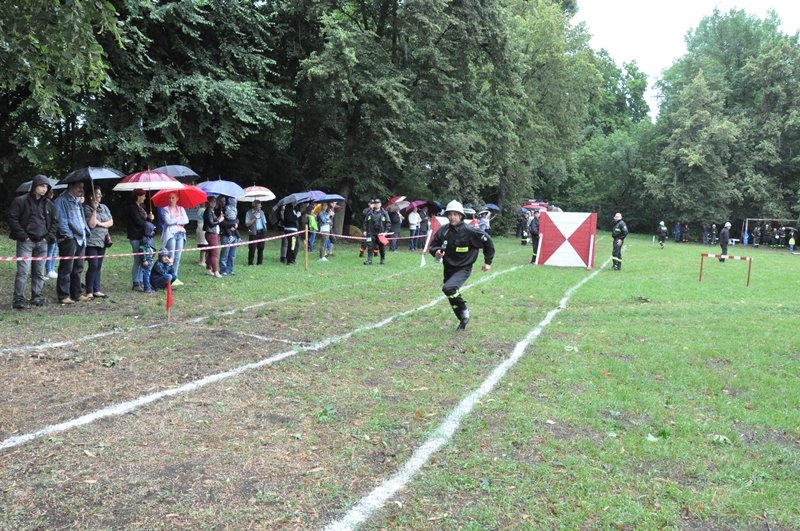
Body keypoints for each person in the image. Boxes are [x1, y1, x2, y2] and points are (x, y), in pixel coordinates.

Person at [428, 200, 494, 331]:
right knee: (450, 292)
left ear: (461, 216)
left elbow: (488, 242)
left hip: (464, 267)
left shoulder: (471, 231)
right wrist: (436, 252)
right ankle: (463, 319)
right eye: (450, 214)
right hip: (448, 267)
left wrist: (488, 262)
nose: (452, 217)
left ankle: (464, 311)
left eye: (455, 214)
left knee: (448, 288)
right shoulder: (443, 231)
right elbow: (433, 246)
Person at [8, 174, 57, 309]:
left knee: (39, 272)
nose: (44, 189)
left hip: (43, 242)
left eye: (46, 186)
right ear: (35, 186)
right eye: (42, 186)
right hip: (26, 242)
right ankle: (18, 299)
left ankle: (36, 296)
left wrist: (48, 238)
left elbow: (55, 222)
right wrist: (23, 236)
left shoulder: (49, 204)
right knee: (23, 271)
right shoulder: (20, 201)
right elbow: (12, 218)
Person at [54, 181, 91, 304]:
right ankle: (63, 295)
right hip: (69, 239)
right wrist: (68, 236)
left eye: (82, 187)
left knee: (78, 268)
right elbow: (61, 220)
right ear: (70, 186)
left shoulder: (77, 201)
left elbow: (81, 218)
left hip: (81, 238)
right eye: (79, 187)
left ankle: (77, 294)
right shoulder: (61, 200)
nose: (81, 189)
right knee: (66, 268)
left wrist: (86, 232)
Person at [83, 187, 113, 299]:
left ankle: (97, 289)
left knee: (99, 266)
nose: (100, 196)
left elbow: (111, 222)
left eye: (100, 194)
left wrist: (100, 224)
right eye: (97, 194)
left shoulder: (104, 207)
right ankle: (89, 291)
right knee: (93, 265)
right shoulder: (86, 208)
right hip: (91, 241)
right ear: (91, 196)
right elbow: (91, 224)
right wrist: (94, 210)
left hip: (102, 240)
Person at [126, 189, 155, 292]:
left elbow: (144, 221)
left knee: (143, 258)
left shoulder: (142, 207)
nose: (145, 198)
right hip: (135, 236)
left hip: (143, 237)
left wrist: (150, 218)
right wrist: (148, 222)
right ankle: (136, 282)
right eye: (143, 196)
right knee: (138, 260)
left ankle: (141, 281)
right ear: (138, 196)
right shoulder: (132, 208)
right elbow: (139, 222)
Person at [159, 191, 189, 285]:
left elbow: (186, 220)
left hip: (181, 234)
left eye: (173, 198)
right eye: (169, 198)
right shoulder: (165, 209)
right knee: (171, 256)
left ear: (177, 199)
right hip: (171, 234)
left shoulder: (181, 208)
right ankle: (168, 277)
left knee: (177, 256)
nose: (171, 200)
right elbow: (168, 221)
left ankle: (175, 276)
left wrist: (175, 221)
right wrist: (179, 220)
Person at [362, 198, 391, 265]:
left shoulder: (384, 213)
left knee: (381, 247)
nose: (376, 204)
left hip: (381, 233)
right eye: (375, 203)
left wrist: (386, 231)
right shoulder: (370, 213)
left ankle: (382, 260)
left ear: (380, 204)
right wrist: (365, 230)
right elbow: (365, 222)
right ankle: (369, 260)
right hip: (371, 232)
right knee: (370, 247)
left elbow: (388, 223)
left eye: (378, 203)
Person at [219, 195, 240, 275]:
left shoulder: (233, 209)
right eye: (222, 201)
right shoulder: (221, 210)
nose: (223, 202)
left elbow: (236, 219)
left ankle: (230, 269)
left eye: (224, 201)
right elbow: (222, 222)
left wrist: (236, 224)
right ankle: (223, 270)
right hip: (225, 235)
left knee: (232, 254)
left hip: (234, 234)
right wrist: (232, 225)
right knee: (225, 254)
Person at [203, 196, 223, 277]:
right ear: (208, 203)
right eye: (212, 201)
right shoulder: (208, 211)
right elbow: (211, 224)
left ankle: (208, 269)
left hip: (213, 233)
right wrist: (219, 220)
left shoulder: (212, 211)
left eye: (215, 201)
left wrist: (218, 218)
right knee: (214, 253)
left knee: (211, 252)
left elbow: (213, 221)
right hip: (211, 234)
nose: (214, 203)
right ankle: (216, 271)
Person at [245, 199, 267, 265]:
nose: (261, 207)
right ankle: (250, 263)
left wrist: (265, 229)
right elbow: (247, 224)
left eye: (260, 206)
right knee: (252, 248)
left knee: (261, 248)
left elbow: (264, 222)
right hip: (253, 233)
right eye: (259, 206)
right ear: (255, 206)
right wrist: (255, 218)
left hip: (262, 232)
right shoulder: (249, 213)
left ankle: (260, 263)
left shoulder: (262, 212)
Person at [139, 222, 157, 293]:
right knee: (146, 273)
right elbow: (141, 250)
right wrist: (144, 260)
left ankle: (147, 286)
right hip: (147, 260)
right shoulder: (144, 240)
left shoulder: (149, 238)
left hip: (150, 259)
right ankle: (147, 288)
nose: (153, 232)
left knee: (148, 273)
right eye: (152, 231)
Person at [196, 201, 208, 268]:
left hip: (199, 227)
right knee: (204, 244)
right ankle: (202, 261)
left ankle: (202, 259)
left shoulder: (199, 210)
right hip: (203, 228)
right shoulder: (204, 210)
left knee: (202, 244)